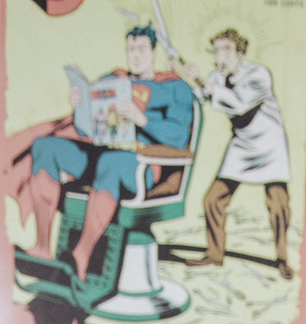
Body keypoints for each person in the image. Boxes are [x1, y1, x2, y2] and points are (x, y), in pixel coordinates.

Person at [11, 25, 194, 281]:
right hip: (101, 153)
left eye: (141, 49)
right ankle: (42, 247)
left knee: (112, 162)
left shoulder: (174, 88)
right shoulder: (113, 78)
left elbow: (179, 138)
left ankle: (81, 255)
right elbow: (86, 127)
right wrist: (80, 106)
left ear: (153, 52)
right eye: (131, 49)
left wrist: (142, 119)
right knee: (45, 146)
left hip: (141, 164)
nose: (135, 56)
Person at [182, 28, 294, 278]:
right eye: (216, 51)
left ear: (240, 53)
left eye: (226, 50)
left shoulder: (259, 74)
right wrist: (181, 76)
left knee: (278, 204)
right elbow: (196, 98)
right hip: (242, 145)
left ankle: (282, 259)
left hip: (269, 145)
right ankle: (214, 254)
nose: (220, 57)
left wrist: (202, 81)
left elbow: (240, 103)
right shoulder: (216, 77)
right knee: (213, 200)